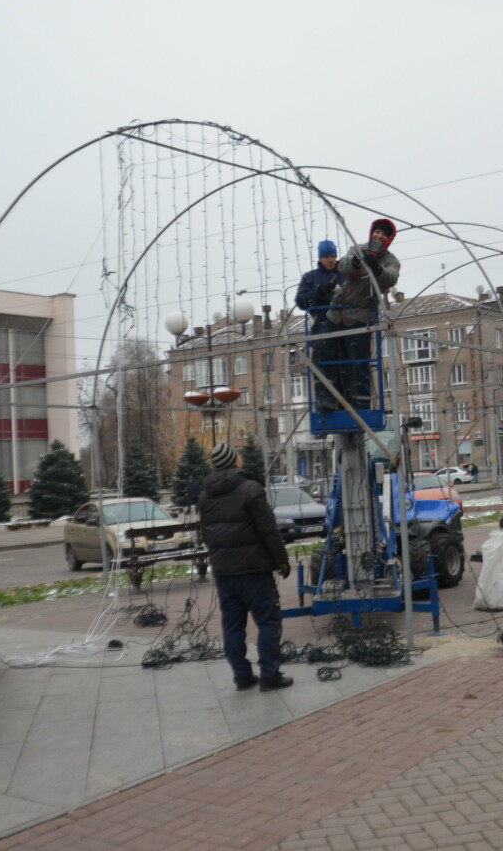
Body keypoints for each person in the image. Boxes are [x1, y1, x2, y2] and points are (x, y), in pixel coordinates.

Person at [199, 441, 293, 693]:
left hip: (224, 572)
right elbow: (268, 530)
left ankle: (242, 676)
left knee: (232, 625)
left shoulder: (205, 495)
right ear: (234, 461)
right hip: (254, 570)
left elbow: (205, 533)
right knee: (268, 622)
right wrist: (281, 560)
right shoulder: (251, 489)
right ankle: (269, 675)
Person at [330, 218, 401, 408]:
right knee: (334, 361)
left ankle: (360, 405)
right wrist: (357, 262)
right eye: (376, 232)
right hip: (337, 314)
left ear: (388, 238)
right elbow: (343, 267)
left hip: (361, 317)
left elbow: (390, 278)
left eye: (383, 234)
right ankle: (336, 402)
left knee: (358, 364)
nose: (378, 235)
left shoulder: (390, 261)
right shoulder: (357, 250)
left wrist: (376, 269)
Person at [294, 240, 347, 412]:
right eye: (326, 257)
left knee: (347, 364)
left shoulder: (346, 274)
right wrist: (320, 291)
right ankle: (326, 399)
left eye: (333, 256)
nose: (330, 260)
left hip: (347, 325)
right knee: (323, 362)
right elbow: (301, 301)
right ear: (320, 258)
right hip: (323, 326)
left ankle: (348, 400)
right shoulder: (311, 278)